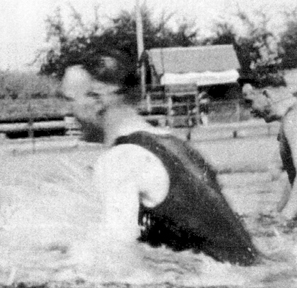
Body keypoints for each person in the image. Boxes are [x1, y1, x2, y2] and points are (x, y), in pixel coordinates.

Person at [61, 65, 259, 266]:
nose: (65, 111)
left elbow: (114, 261)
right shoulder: (176, 144)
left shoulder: (121, 158)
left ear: (96, 98)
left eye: (69, 100)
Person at [242, 83, 297, 220]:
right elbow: (295, 178)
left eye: (250, 102)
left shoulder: (295, 118)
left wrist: (284, 219)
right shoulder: (293, 115)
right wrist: (278, 211)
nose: (251, 110)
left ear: (267, 95)